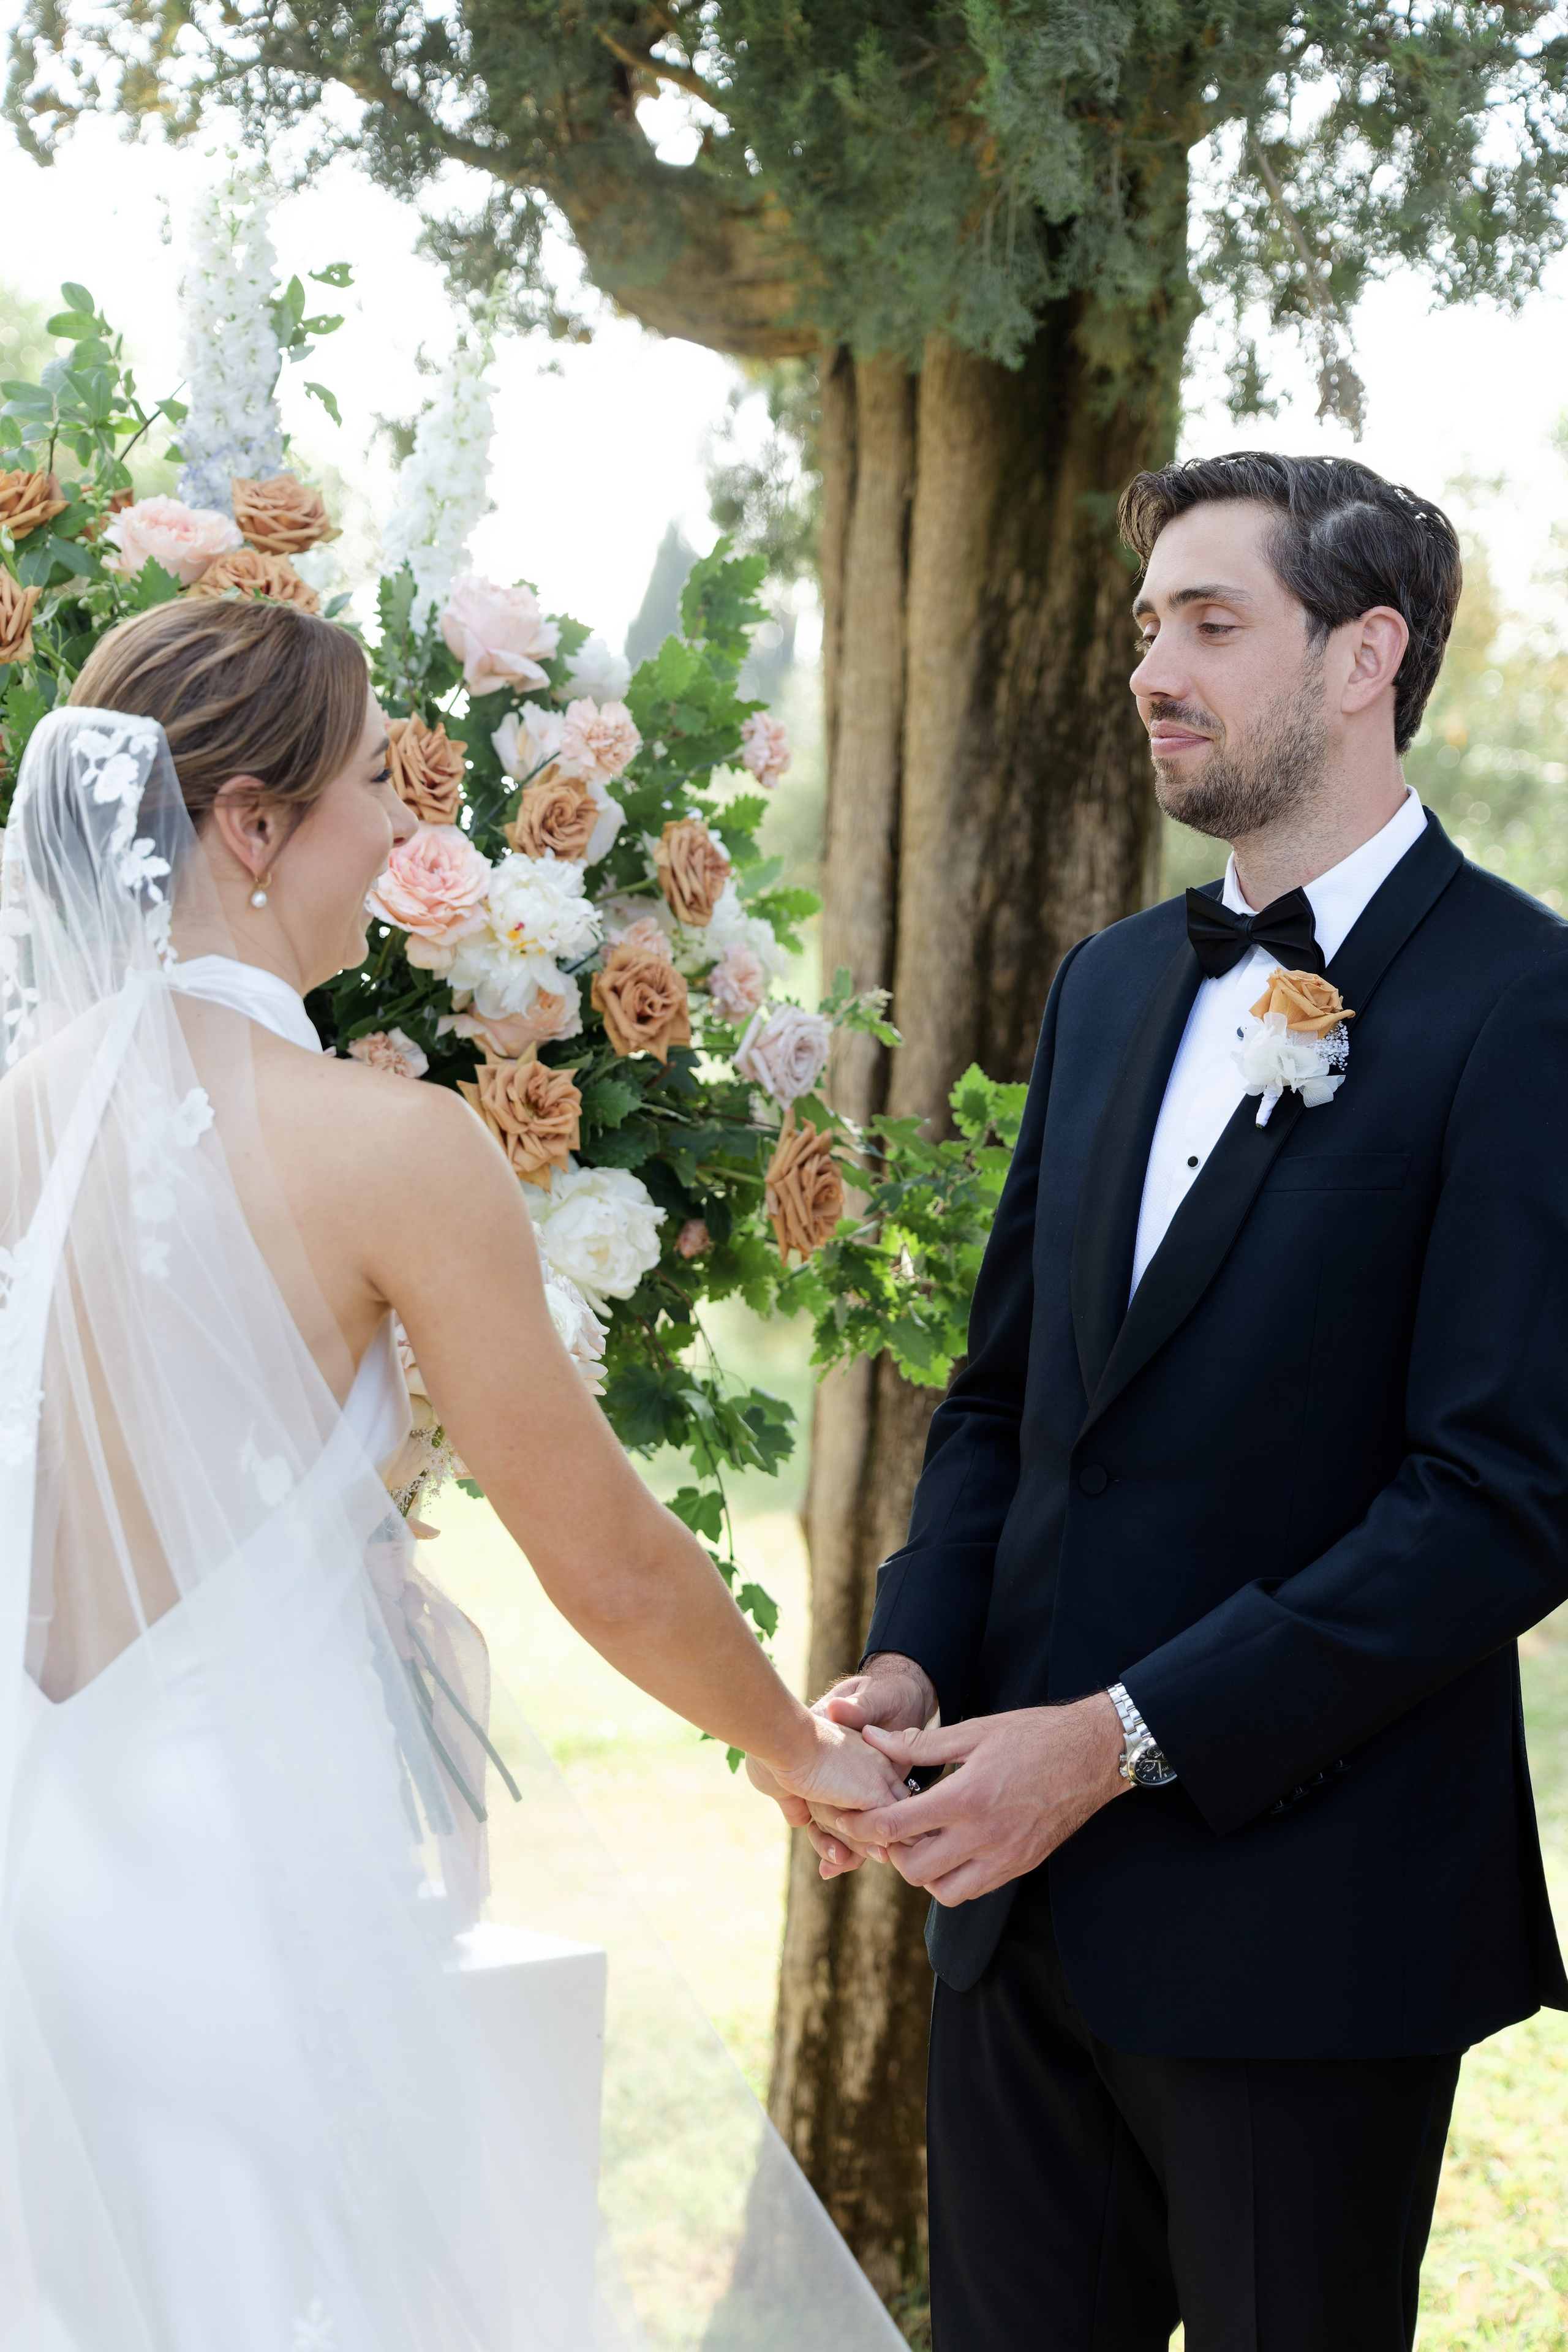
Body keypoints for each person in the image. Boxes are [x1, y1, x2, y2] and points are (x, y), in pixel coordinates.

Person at [0, 596, 907, 2351]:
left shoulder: (14, 1114)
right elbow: (611, 1562)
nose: (411, 835)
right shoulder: (391, 1146)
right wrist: (802, 1755)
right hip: (253, 1877)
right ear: (252, 828)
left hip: (50, 1863)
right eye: (369, 789)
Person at [755, 452, 1568, 2350]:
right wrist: (914, 1667)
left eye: (1213, 621)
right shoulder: (1111, 986)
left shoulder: (1530, 1004)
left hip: (1312, 1930)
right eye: (1146, 627)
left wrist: (1117, 1741)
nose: (1151, 666)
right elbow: (1006, 1403)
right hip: (1013, 1934)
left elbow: (1500, 1502)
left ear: (1368, 655)